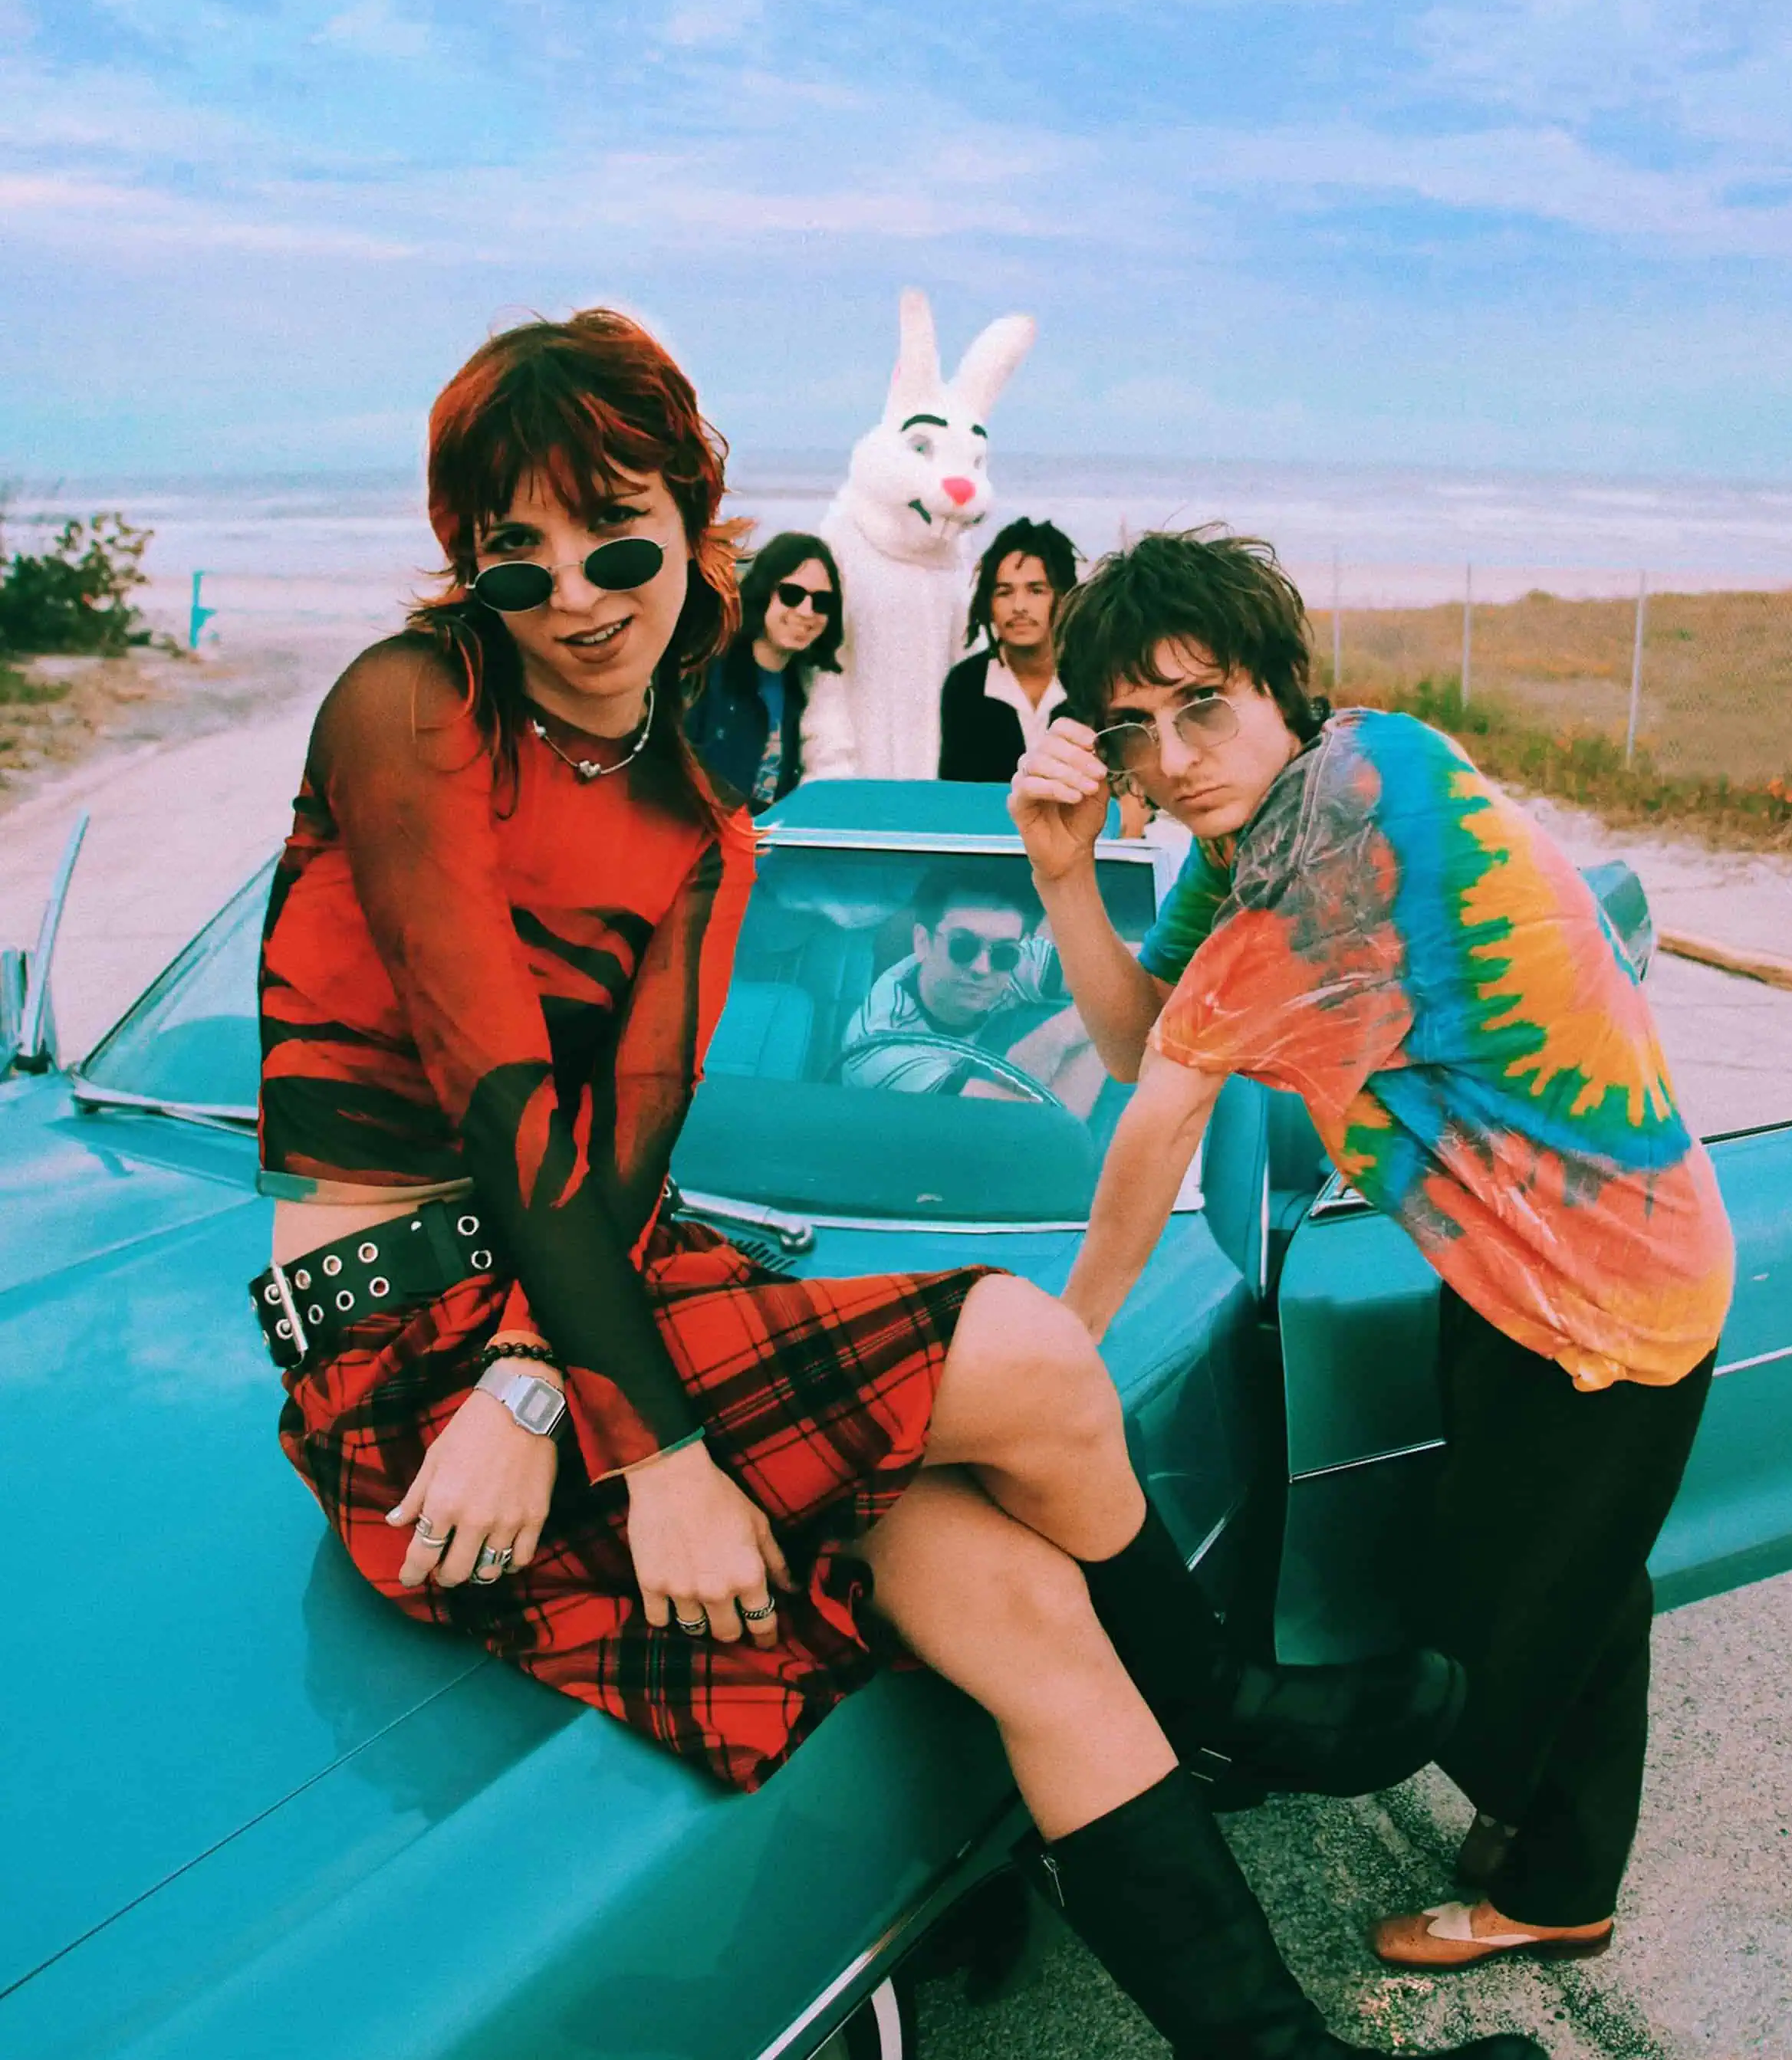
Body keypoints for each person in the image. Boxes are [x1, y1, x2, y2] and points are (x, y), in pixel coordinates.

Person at [253, 315, 1530, 2060]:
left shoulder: (697, 817)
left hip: (580, 1302)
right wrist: (639, 1448)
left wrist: (550, 1371)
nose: (572, 596)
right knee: (1028, 1351)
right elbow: (504, 1102)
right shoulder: (412, 710)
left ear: (688, 520)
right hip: (401, 1343)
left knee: (1019, 1603)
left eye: (615, 538)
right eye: (512, 555)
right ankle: (1226, 1697)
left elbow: (623, 1146)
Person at [1011, 527, 1735, 1986]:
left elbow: (1160, 1116)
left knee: (1501, 1621)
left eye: (1205, 704)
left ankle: (1550, 1887)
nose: (1176, 759)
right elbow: (1139, 1041)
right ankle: (1557, 1852)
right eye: (1137, 728)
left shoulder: (1341, 847)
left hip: (1609, 1291)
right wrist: (1063, 875)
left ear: (1280, 686)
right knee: (1589, 1589)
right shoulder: (1291, 807)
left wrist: (1062, 1346)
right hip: (1522, 1272)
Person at [838, 866, 1068, 1096]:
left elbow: (1093, 984)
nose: (982, 968)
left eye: (1005, 953)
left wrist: (1056, 1035)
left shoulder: (1015, 961)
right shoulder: (879, 1047)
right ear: (923, 942)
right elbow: (1016, 1115)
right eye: (963, 946)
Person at [684, 530, 852, 809]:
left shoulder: (805, 692)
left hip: (764, 834)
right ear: (764, 591)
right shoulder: (706, 671)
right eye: (792, 595)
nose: (806, 612)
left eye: (822, 602)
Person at [939, 517, 1078, 781]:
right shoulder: (966, 686)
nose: (1019, 606)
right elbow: (957, 793)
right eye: (1004, 592)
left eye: (1036, 590)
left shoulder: (1094, 681)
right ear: (988, 604)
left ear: (1063, 597)